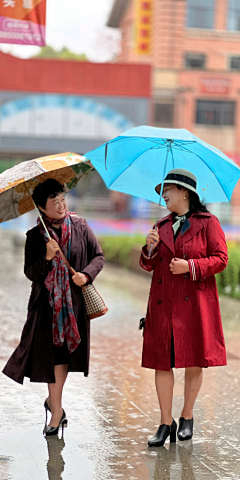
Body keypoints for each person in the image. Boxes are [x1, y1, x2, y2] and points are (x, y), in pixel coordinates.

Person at [3, 179, 105, 436]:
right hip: (47, 307)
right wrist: (47, 257)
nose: (60, 205)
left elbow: (98, 256)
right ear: (41, 207)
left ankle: (53, 403)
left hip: (75, 306)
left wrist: (86, 275)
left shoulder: (80, 226)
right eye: (53, 202)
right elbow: (30, 273)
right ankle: (56, 411)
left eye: (62, 199)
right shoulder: (35, 237)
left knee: (67, 356)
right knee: (53, 357)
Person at [140, 168, 228, 447]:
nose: (163, 194)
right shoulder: (161, 225)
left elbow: (221, 258)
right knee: (161, 362)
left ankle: (186, 416)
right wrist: (149, 249)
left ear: (185, 192)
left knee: (193, 360)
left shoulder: (209, 222)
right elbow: (148, 265)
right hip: (163, 304)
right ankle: (166, 422)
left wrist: (190, 267)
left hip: (194, 304)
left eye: (168, 189)